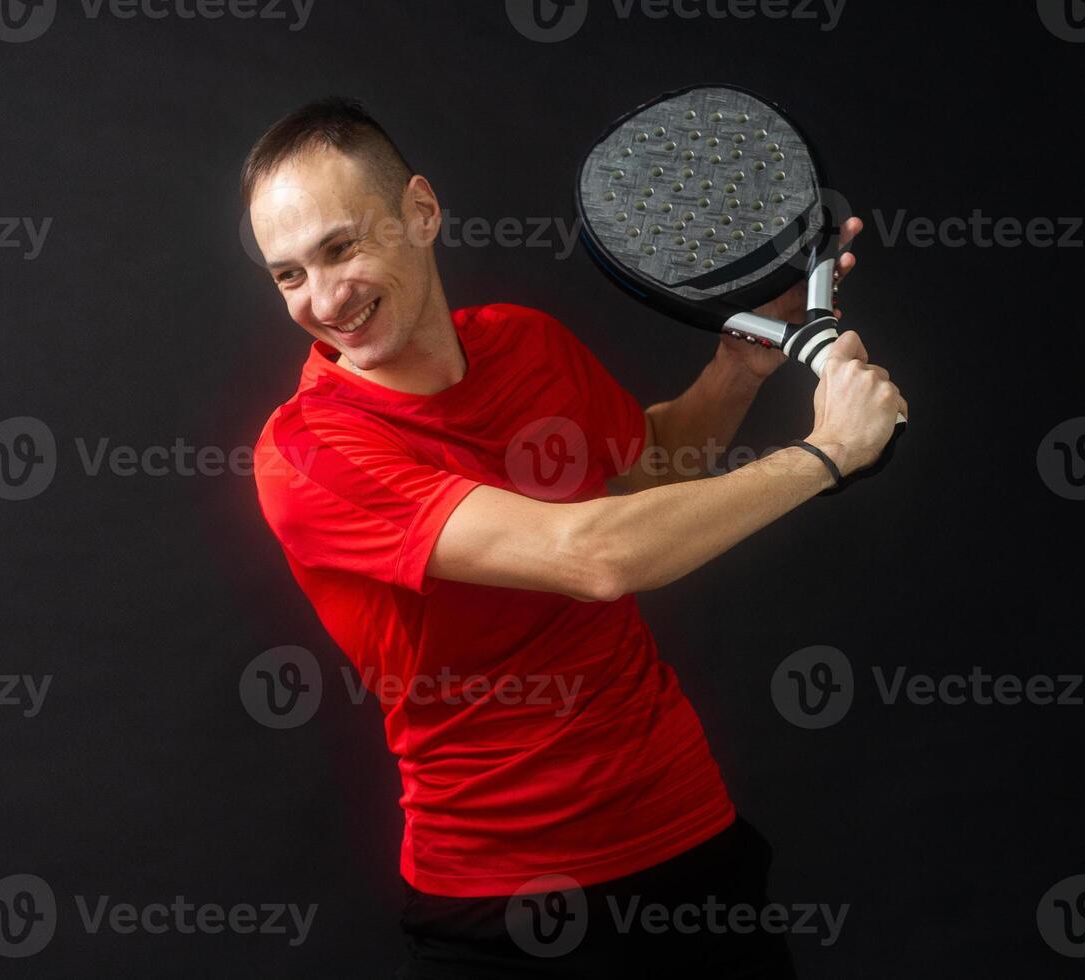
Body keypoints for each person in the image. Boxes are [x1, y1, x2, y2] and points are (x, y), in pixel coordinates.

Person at [243, 97, 906, 978]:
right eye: (288, 275)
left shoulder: (527, 342)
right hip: (505, 907)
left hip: (689, 840)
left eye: (340, 247)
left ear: (421, 212)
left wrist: (740, 360)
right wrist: (825, 454)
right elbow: (592, 555)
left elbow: (655, 466)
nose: (323, 299)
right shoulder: (307, 452)